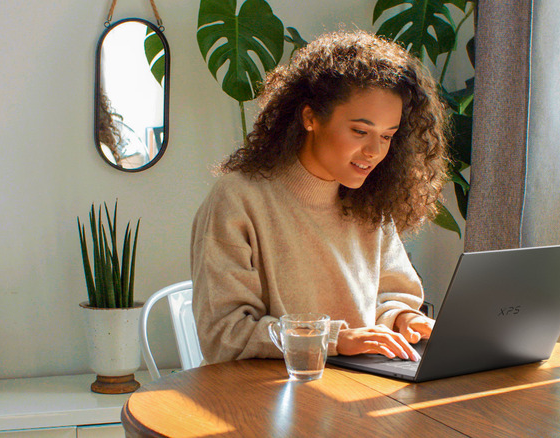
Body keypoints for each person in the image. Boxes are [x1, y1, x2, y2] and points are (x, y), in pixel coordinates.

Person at [191, 30, 448, 365]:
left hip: (358, 390)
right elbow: (225, 333)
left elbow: (392, 293)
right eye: (360, 131)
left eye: (387, 136)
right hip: (267, 396)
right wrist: (334, 339)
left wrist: (402, 318)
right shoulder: (238, 199)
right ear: (310, 118)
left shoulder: (370, 199)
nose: (374, 151)